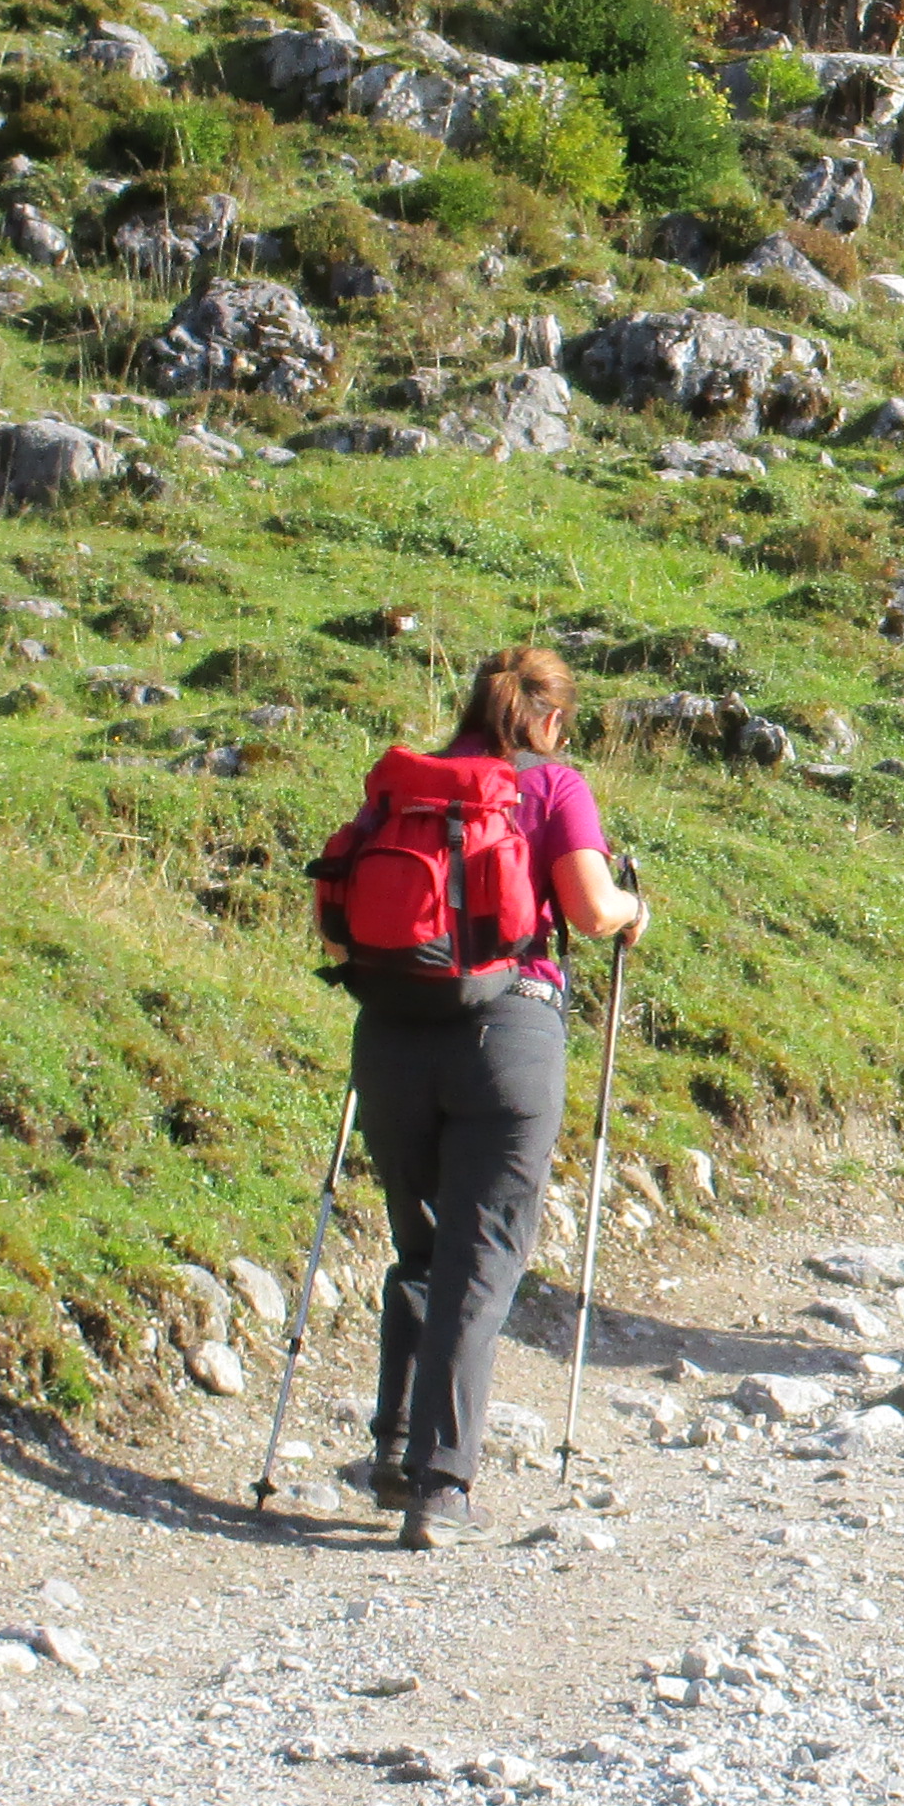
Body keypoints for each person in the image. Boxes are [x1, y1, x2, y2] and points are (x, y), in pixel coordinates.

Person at [359, 645, 644, 1551]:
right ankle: (442, 1484)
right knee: (480, 1261)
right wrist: (635, 910)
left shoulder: (411, 779)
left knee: (420, 1246)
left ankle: (395, 1448)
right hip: (507, 1039)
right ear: (551, 720)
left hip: (393, 1033)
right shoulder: (555, 786)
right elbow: (592, 911)